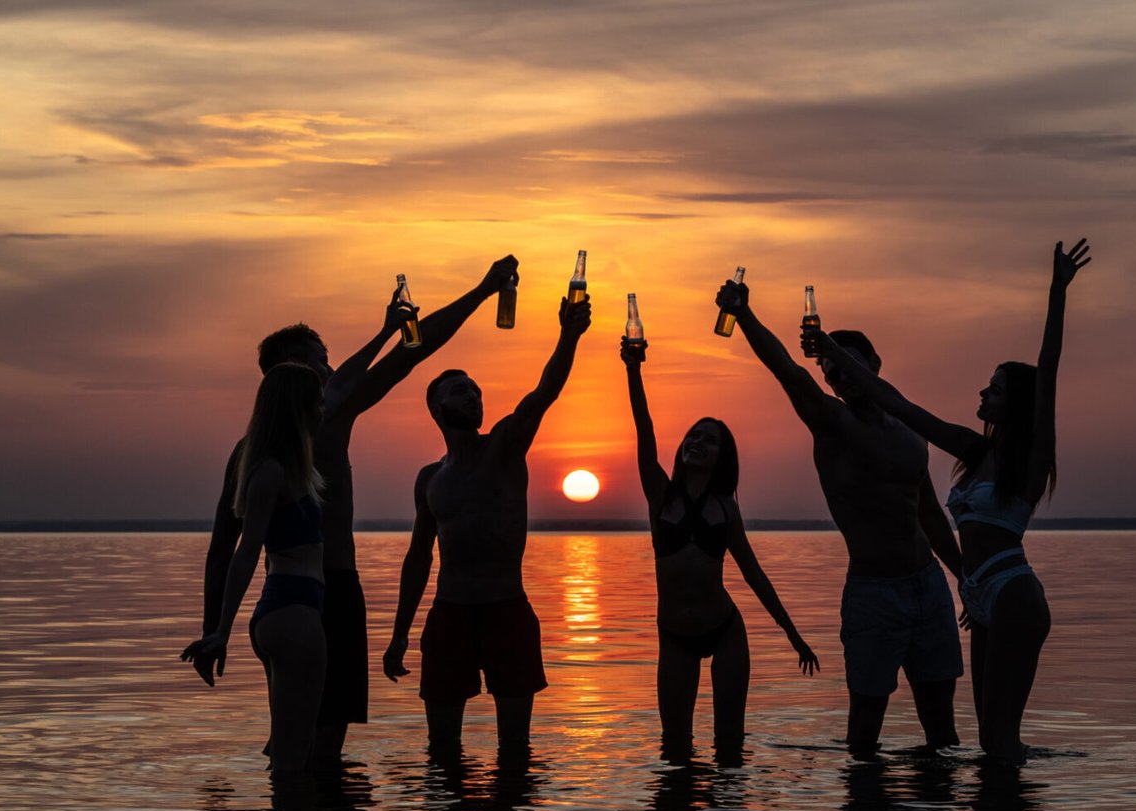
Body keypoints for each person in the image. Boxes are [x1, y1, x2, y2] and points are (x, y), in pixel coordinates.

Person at [193, 256, 519, 767]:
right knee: (316, 746)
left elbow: (223, 550)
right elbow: (414, 350)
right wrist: (480, 291)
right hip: (324, 595)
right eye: (319, 361)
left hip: (281, 601)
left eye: (328, 359)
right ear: (294, 374)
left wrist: (217, 627)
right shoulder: (317, 422)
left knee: (291, 732)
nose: (330, 368)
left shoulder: (255, 447)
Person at [810, 239, 1091, 765]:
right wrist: (829, 348)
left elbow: (1048, 371)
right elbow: (898, 403)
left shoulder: (1031, 461)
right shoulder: (972, 448)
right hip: (980, 593)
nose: (983, 394)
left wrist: (1057, 291)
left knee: (1001, 739)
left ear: (1018, 406)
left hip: (1013, 592)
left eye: (995, 390)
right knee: (989, 740)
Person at [715, 278, 964, 755]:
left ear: (874, 365)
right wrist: (744, 315)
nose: (837, 377)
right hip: (874, 593)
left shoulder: (910, 431)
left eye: (845, 365)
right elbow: (785, 368)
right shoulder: (834, 424)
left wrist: (965, 578)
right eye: (830, 370)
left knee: (943, 734)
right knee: (864, 738)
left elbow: (929, 513)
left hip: (929, 587)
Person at [382, 295, 593, 748]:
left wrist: (568, 336)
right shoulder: (430, 479)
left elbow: (544, 393)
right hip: (449, 616)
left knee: (514, 750)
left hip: (507, 610)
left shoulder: (503, 448)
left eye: (477, 391)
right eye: (461, 391)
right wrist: (399, 634)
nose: (474, 397)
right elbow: (418, 558)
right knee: (442, 752)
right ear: (436, 409)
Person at [620, 335, 819, 759]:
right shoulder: (660, 494)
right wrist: (633, 370)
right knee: (675, 749)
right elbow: (644, 428)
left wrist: (792, 634)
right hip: (674, 635)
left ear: (721, 457)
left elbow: (752, 573)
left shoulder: (726, 507)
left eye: (709, 440)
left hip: (725, 629)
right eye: (694, 435)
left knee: (729, 747)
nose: (697, 442)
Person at [182, 363, 328, 775]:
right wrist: (221, 630)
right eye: (317, 401)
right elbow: (245, 552)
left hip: (294, 610)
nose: (323, 410)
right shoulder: (270, 471)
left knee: (290, 742)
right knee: (294, 751)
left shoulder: (296, 466)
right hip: (291, 612)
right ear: (297, 408)